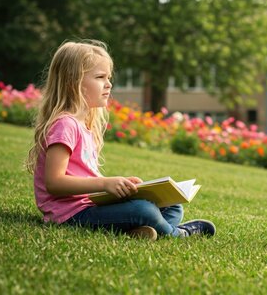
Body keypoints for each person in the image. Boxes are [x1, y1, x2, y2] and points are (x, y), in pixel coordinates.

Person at [25, 40, 215, 241]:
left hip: (91, 204)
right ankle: (178, 233)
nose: (109, 84)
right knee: (144, 209)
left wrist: (122, 186)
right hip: (70, 214)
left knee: (171, 203)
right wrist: (105, 183)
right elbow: (54, 183)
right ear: (73, 83)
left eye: (109, 77)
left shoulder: (84, 126)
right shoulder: (65, 125)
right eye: (100, 77)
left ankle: (140, 230)